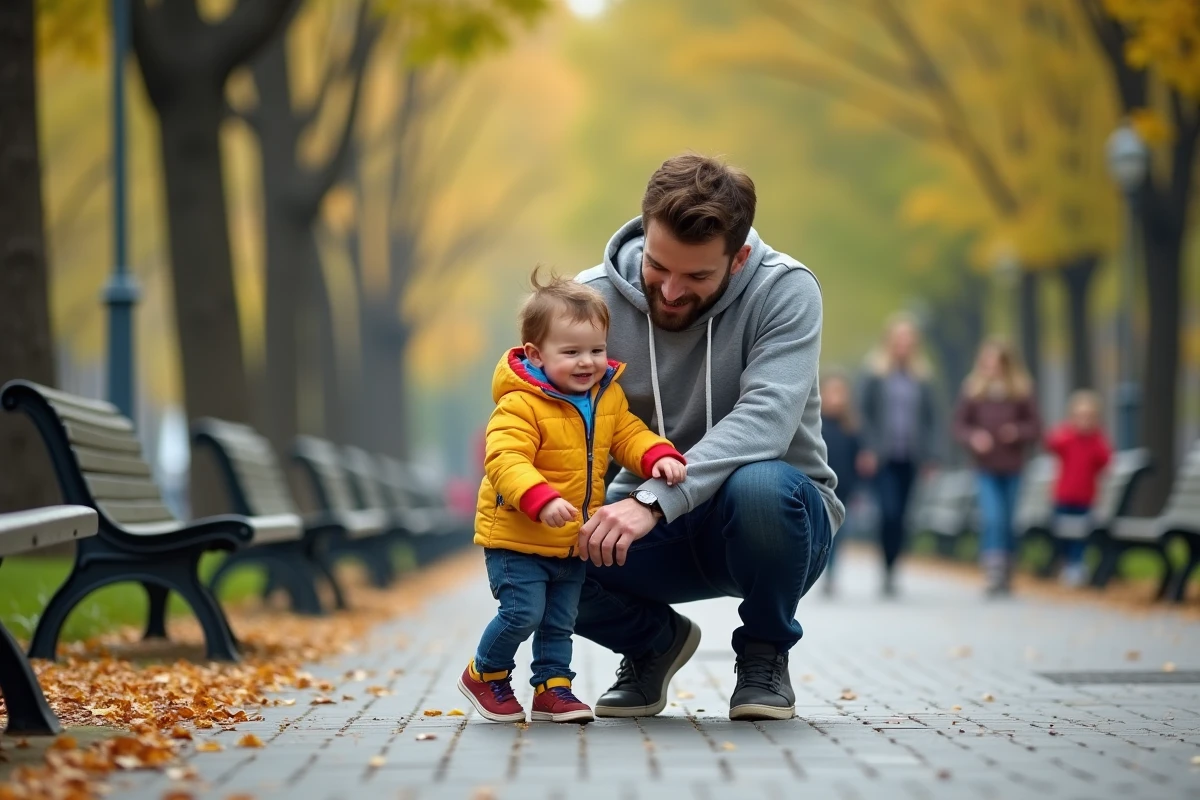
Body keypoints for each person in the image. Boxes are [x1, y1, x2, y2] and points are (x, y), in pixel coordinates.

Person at [573, 153, 842, 722]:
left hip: (776, 522)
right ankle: (651, 643)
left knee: (761, 486)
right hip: (656, 524)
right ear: (645, 233)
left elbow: (766, 420)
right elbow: (565, 426)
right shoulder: (590, 303)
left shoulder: (785, 290)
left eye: (696, 276)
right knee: (530, 550)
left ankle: (765, 654)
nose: (670, 291)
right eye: (657, 266)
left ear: (738, 258)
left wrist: (652, 500)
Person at [458, 271, 687, 724]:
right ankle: (485, 673)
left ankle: (552, 688)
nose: (587, 362)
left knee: (560, 620)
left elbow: (629, 435)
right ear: (535, 355)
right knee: (523, 612)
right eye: (571, 353)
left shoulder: (606, 398)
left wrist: (657, 455)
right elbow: (504, 459)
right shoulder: (520, 404)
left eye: (596, 350)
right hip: (518, 539)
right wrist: (539, 498)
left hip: (569, 540)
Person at [952, 339, 1042, 596]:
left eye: (996, 363)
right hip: (985, 467)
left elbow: (1036, 426)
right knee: (992, 518)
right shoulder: (973, 391)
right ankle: (993, 571)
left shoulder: (1021, 391)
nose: (991, 368)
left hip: (1013, 466)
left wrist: (1017, 432)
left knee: (1010, 520)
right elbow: (959, 426)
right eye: (987, 362)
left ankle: (1008, 568)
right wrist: (974, 437)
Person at [857, 314, 938, 596]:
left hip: (911, 457)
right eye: (899, 340)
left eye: (908, 340)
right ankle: (886, 564)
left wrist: (931, 456)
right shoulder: (875, 374)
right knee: (888, 512)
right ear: (889, 342)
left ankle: (893, 569)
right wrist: (867, 448)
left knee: (903, 515)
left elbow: (931, 419)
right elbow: (863, 414)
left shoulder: (923, 377)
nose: (903, 345)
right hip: (882, 457)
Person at [1045, 390, 1112, 588]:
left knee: (1081, 535)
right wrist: (1069, 431)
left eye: (1089, 417)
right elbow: (1052, 443)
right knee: (1062, 533)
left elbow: (1105, 459)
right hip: (1063, 496)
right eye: (1080, 416)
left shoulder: (1096, 441)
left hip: (1085, 498)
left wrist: (1096, 435)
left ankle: (1077, 565)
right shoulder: (1067, 437)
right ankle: (1066, 562)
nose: (1084, 421)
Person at [818, 370, 861, 597]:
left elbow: (859, 458)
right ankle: (816, 569)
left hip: (843, 489)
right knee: (821, 530)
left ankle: (832, 573)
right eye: (832, 393)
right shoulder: (816, 425)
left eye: (840, 393)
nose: (836, 399)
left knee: (839, 534)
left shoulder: (851, 428)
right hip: (820, 487)